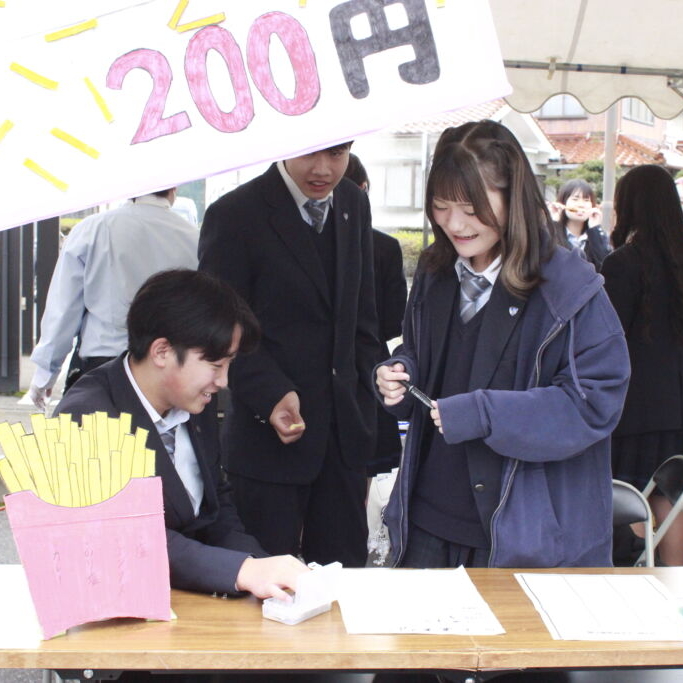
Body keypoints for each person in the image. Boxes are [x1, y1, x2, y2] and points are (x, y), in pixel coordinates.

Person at [375, 120, 630, 570]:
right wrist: (401, 374)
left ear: (514, 198)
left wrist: (485, 412)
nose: (454, 224)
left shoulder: (568, 286)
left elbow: (594, 402)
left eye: (471, 208)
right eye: (441, 206)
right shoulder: (436, 272)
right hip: (426, 523)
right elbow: (421, 356)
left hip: (523, 536)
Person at [55, 268, 309, 598]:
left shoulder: (192, 402)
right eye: (215, 365)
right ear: (162, 351)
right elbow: (123, 538)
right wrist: (240, 570)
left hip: (191, 599)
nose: (223, 381)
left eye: (229, 365)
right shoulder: (86, 417)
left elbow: (216, 509)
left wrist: (262, 565)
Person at [198, 143, 380, 568]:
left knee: (343, 581)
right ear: (284, 144)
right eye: (309, 154)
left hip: (343, 442)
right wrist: (271, 394)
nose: (323, 169)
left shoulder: (353, 203)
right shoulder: (234, 214)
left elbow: (363, 316)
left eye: (337, 154)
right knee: (264, 582)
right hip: (266, 444)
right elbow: (219, 328)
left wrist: (368, 401)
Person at [29, 189, 198, 411]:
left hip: (104, 363)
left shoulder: (92, 229)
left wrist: (45, 374)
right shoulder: (193, 237)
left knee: (101, 433)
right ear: (172, 190)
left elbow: (64, 310)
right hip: (169, 367)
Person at [601, 164, 683, 566]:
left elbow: (604, 339)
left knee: (631, 500)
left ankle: (639, 586)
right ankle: (676, 588)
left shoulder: (622, 264)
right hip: (677, 410)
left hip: (634, 410)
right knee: (671, 499)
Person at [344, 153, 408, 477]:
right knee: (364, 470)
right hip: (371, 365)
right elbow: (395, 321)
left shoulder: (306, 244)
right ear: (364, 188)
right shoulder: (384, 246)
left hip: (319, 371)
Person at [549, 178, 611, 269]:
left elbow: (605, 264)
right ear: (563, 203)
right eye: (575, 199)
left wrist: (595, 229)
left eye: (586, 200)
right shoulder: (551, 232)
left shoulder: (597, 235)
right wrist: (554, 223)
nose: (581, 205)